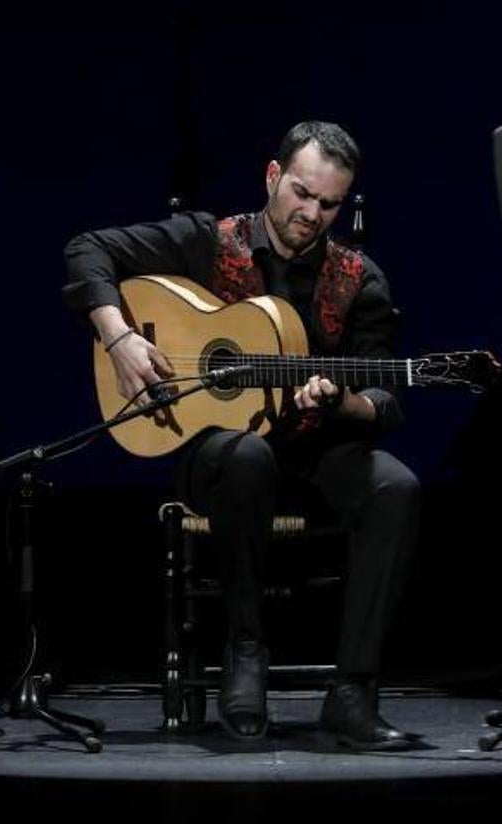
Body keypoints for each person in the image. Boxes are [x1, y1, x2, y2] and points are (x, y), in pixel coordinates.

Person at [62, 121, 420, 750]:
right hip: (220, 460)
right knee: (247, 454)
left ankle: (352, 693)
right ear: (273, 177)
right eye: (302, 194)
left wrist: (346, 402)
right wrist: (118, 336)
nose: (311, 214)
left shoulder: (359, 279)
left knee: (395, 485)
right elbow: (86, 249)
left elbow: (385, 398)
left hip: (314, 454)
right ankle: (246, 651)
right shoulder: (205, 241)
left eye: (328, 204)